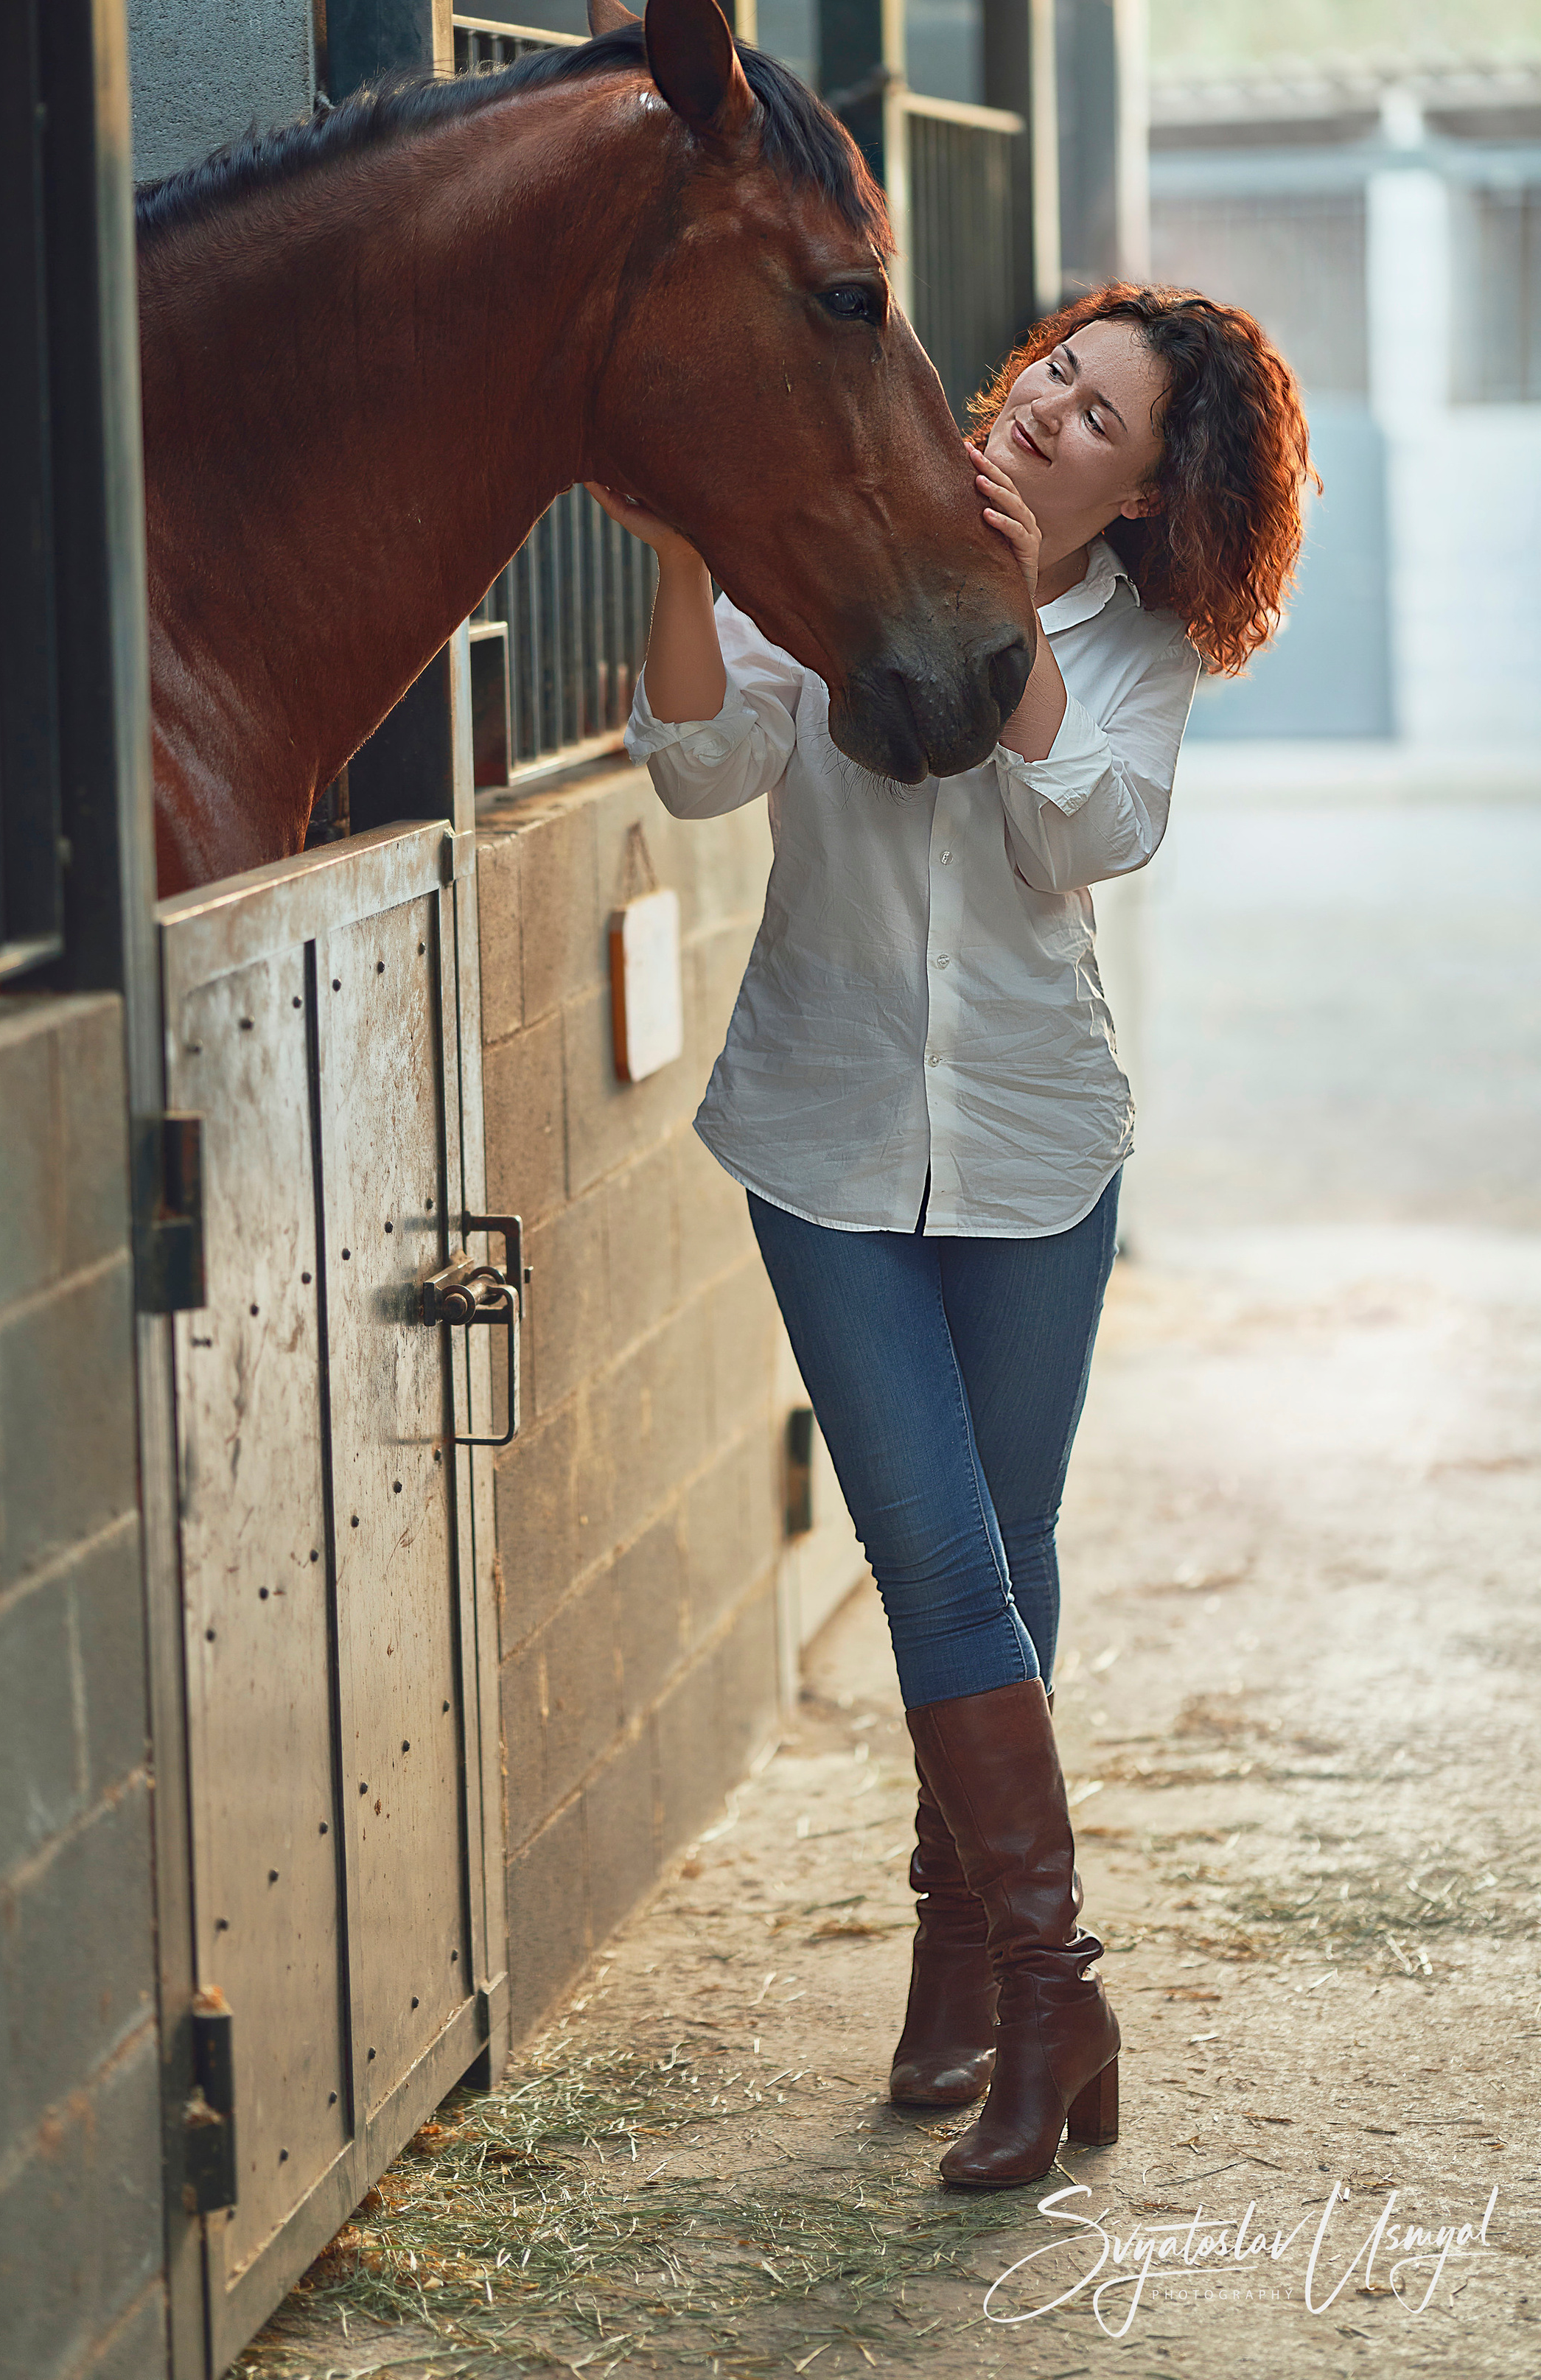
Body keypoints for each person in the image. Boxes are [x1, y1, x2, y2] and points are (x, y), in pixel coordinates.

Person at [602, 284, 1313, 2191]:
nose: (1048, 412)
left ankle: (959, 1967)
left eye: (1099, 421)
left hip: (1032, 1145)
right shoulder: (839, 535)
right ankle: (1054, 1991)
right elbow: (701, 769)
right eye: (1055, 374)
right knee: (934, 1556)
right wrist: (686, 568)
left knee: (1006, 1553)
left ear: (1146, 494)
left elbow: (1086, 834)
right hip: (821, 1136)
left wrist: (1000, 608)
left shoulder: (1136, 644)